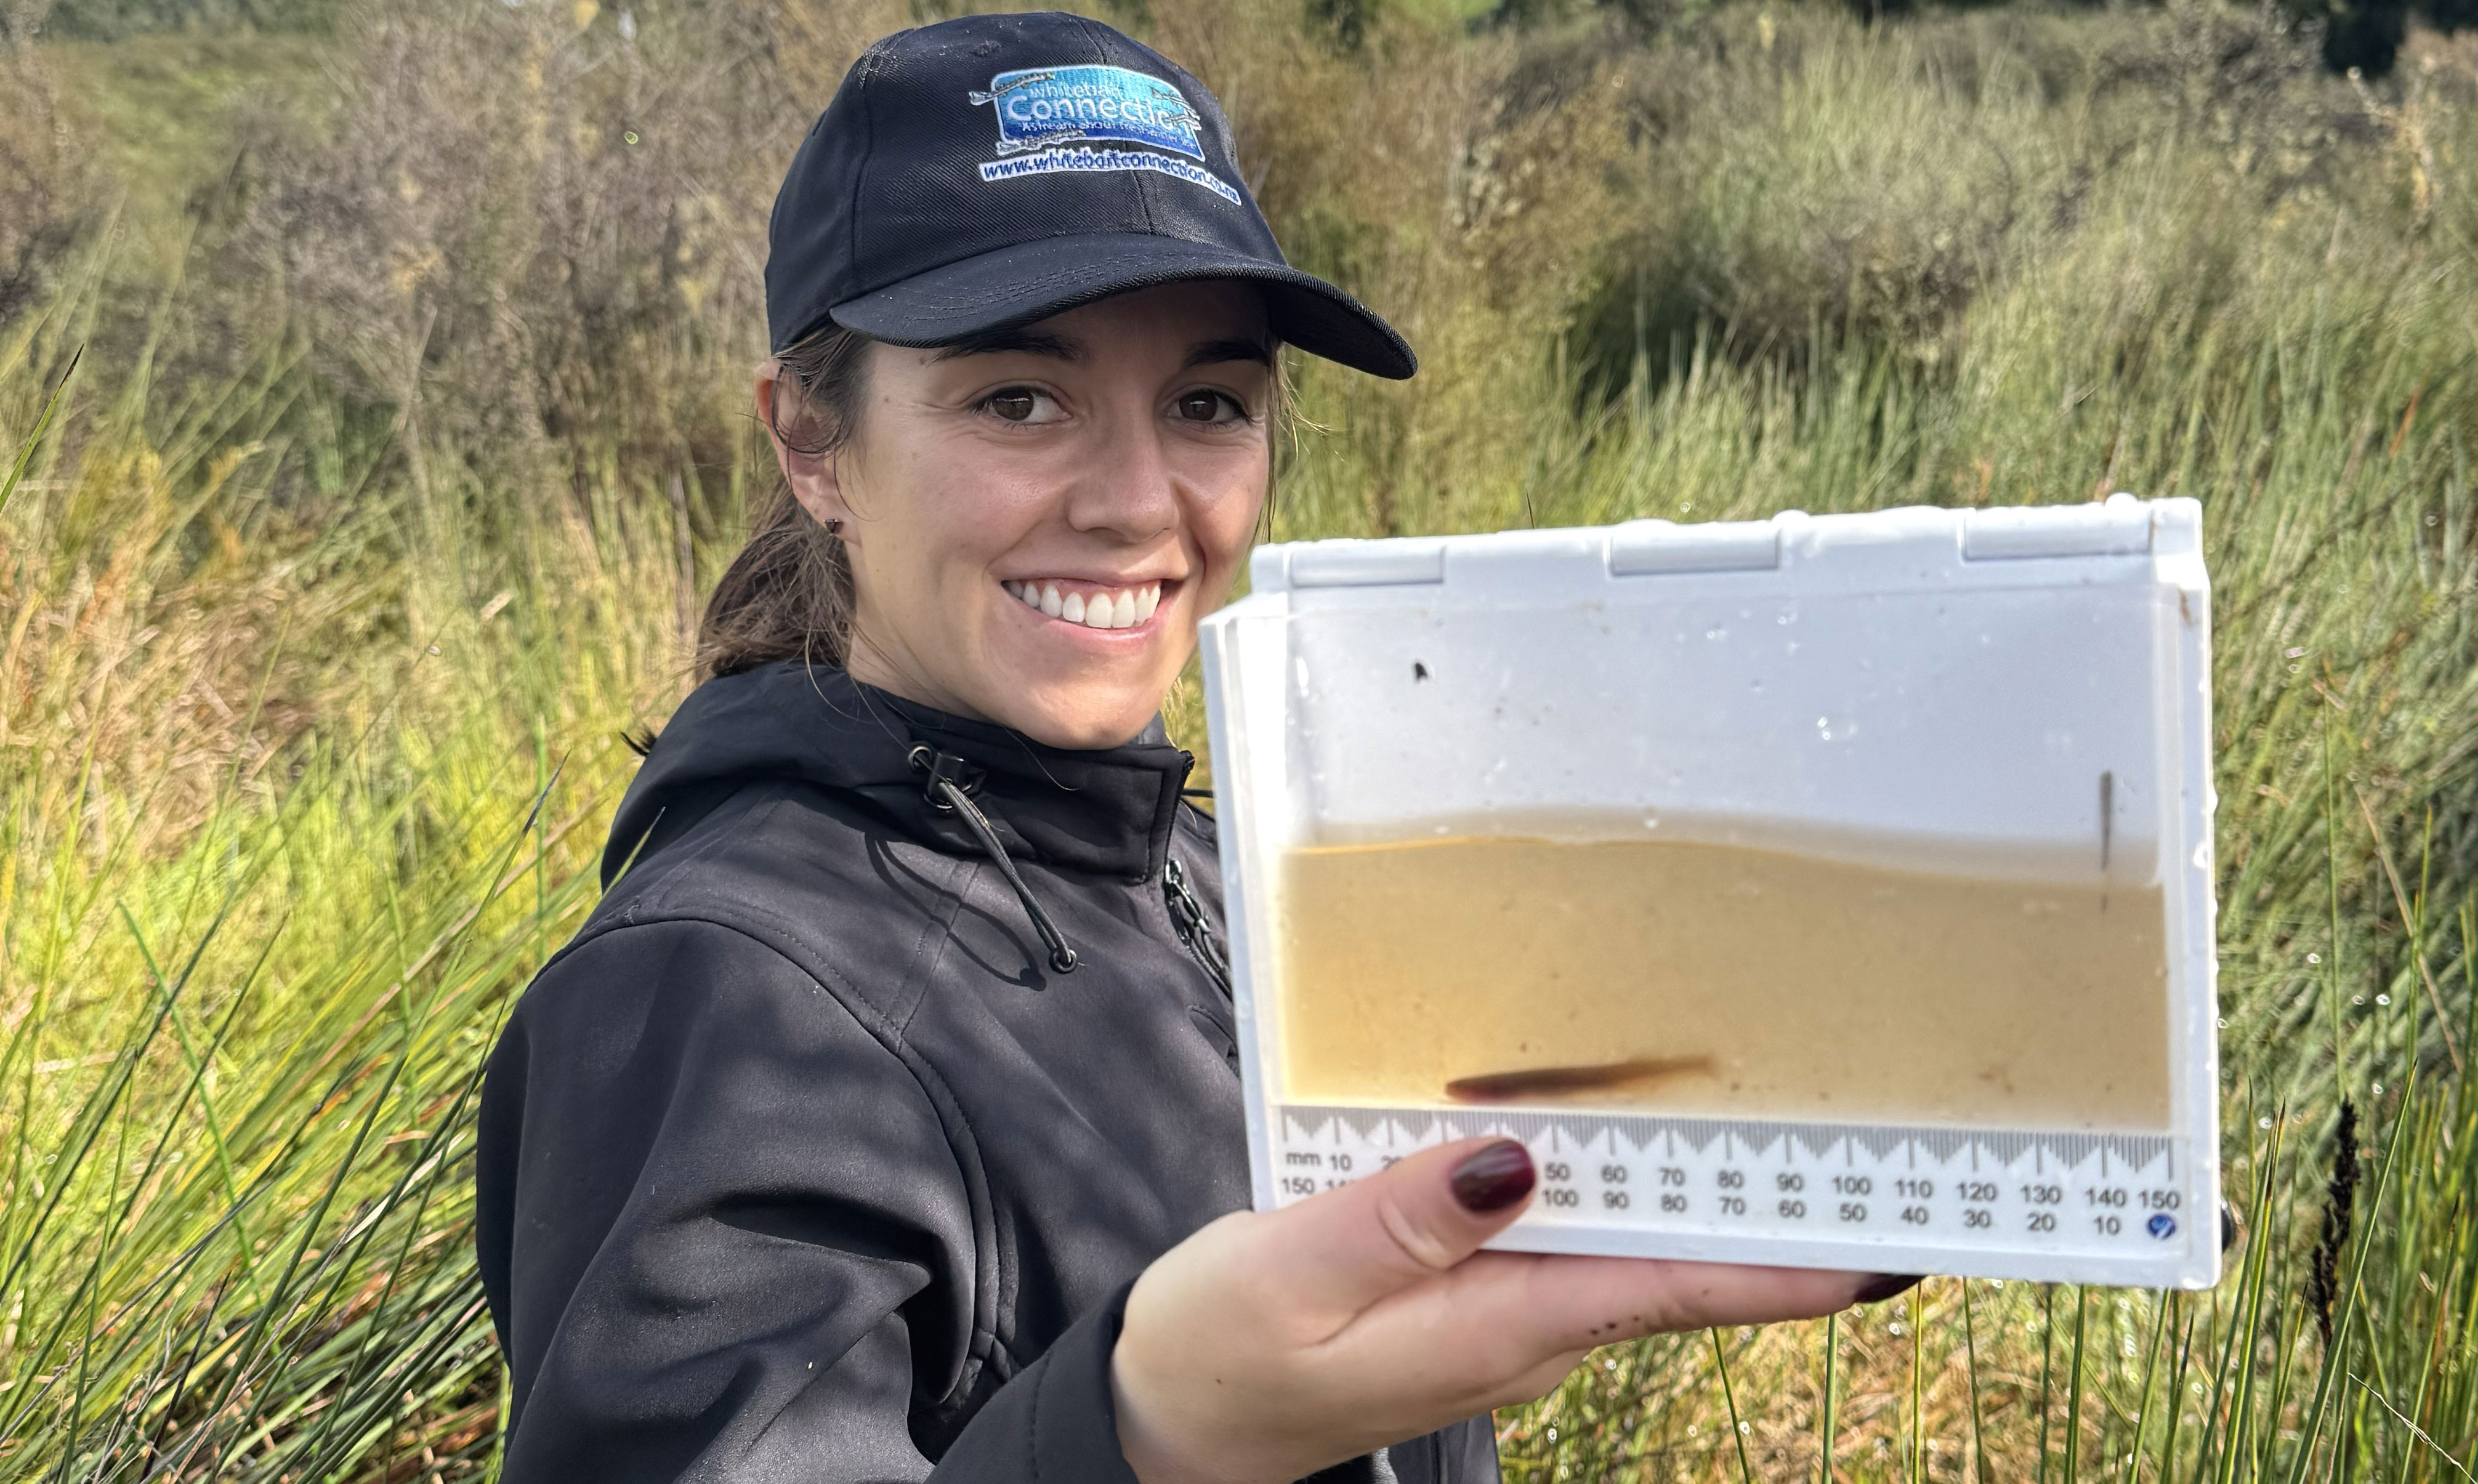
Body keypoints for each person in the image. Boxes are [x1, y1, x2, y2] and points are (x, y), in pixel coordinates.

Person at [473, 13, 1916, 1482]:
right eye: (1018, 398)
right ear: (810, 441)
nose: (1138, 500)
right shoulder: (710, 993)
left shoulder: (1236, 878)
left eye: (1209, 403)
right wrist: (1143, 1430)